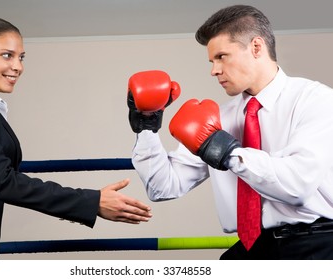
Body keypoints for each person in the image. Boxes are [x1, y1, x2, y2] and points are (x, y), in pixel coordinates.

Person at [127, 5, 333, 259]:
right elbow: (163, 186)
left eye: (222, 56)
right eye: (212, 61)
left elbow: (297, 186)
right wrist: (146, 127)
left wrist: (226, 152)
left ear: (256, 48)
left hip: (318, 242)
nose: (214, 70)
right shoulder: (218, 118)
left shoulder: (315, 100)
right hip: (254, 246)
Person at [0, 17, 152, 260]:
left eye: (21, 57)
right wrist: (91, 201)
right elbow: (3, 181)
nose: (18, 66)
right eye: (6, 55)